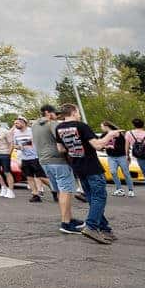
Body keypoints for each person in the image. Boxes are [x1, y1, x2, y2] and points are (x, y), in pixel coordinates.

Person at [55, 103, 121, 244]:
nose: (79, 115)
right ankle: (91, 226)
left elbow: (60, 149)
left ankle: (105, 229)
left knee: (92, 198)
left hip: (77, 166)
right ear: (74, 112)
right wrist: (110, 135)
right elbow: (98, 145)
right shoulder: (81, 126)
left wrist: (74, 148)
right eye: (78, 112)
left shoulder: (59, 128)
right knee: (99, 197)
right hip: (92, 166)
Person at [31, 104, 84, 233]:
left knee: (61, 191)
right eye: (55, 113)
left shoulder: (34, 125)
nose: (57, 116)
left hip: (44, 161)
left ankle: (69, 218)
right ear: (48, 113)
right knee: (66, 191)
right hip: (58, 161)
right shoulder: (52, 123)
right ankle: (66, 223)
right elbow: (63, 139)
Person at [11, 117, 49, 202]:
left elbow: (33, 141)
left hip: (35, 157)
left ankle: (55, 191)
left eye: (17, 123)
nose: (16, 125)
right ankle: (35, 194)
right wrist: (17, 147)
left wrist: (22, 145)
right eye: (15, 123)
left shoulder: (31, 131)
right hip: (24, 158)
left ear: (23, 123)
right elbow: (14, 144)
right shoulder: (16, 133)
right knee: (29, 177)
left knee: (42, 177)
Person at [101, 121, 134, 197]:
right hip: (111, 157)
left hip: (121, 156)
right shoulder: (104, 135)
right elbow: (101, 144)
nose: (101, 128)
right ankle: (119, 189)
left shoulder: (119, 134)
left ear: (106, 126)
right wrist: (105, 147)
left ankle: (131, 190)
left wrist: (127, 155)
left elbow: (124, 146)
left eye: (102, 126)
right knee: (113, 172)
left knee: (126, 173)